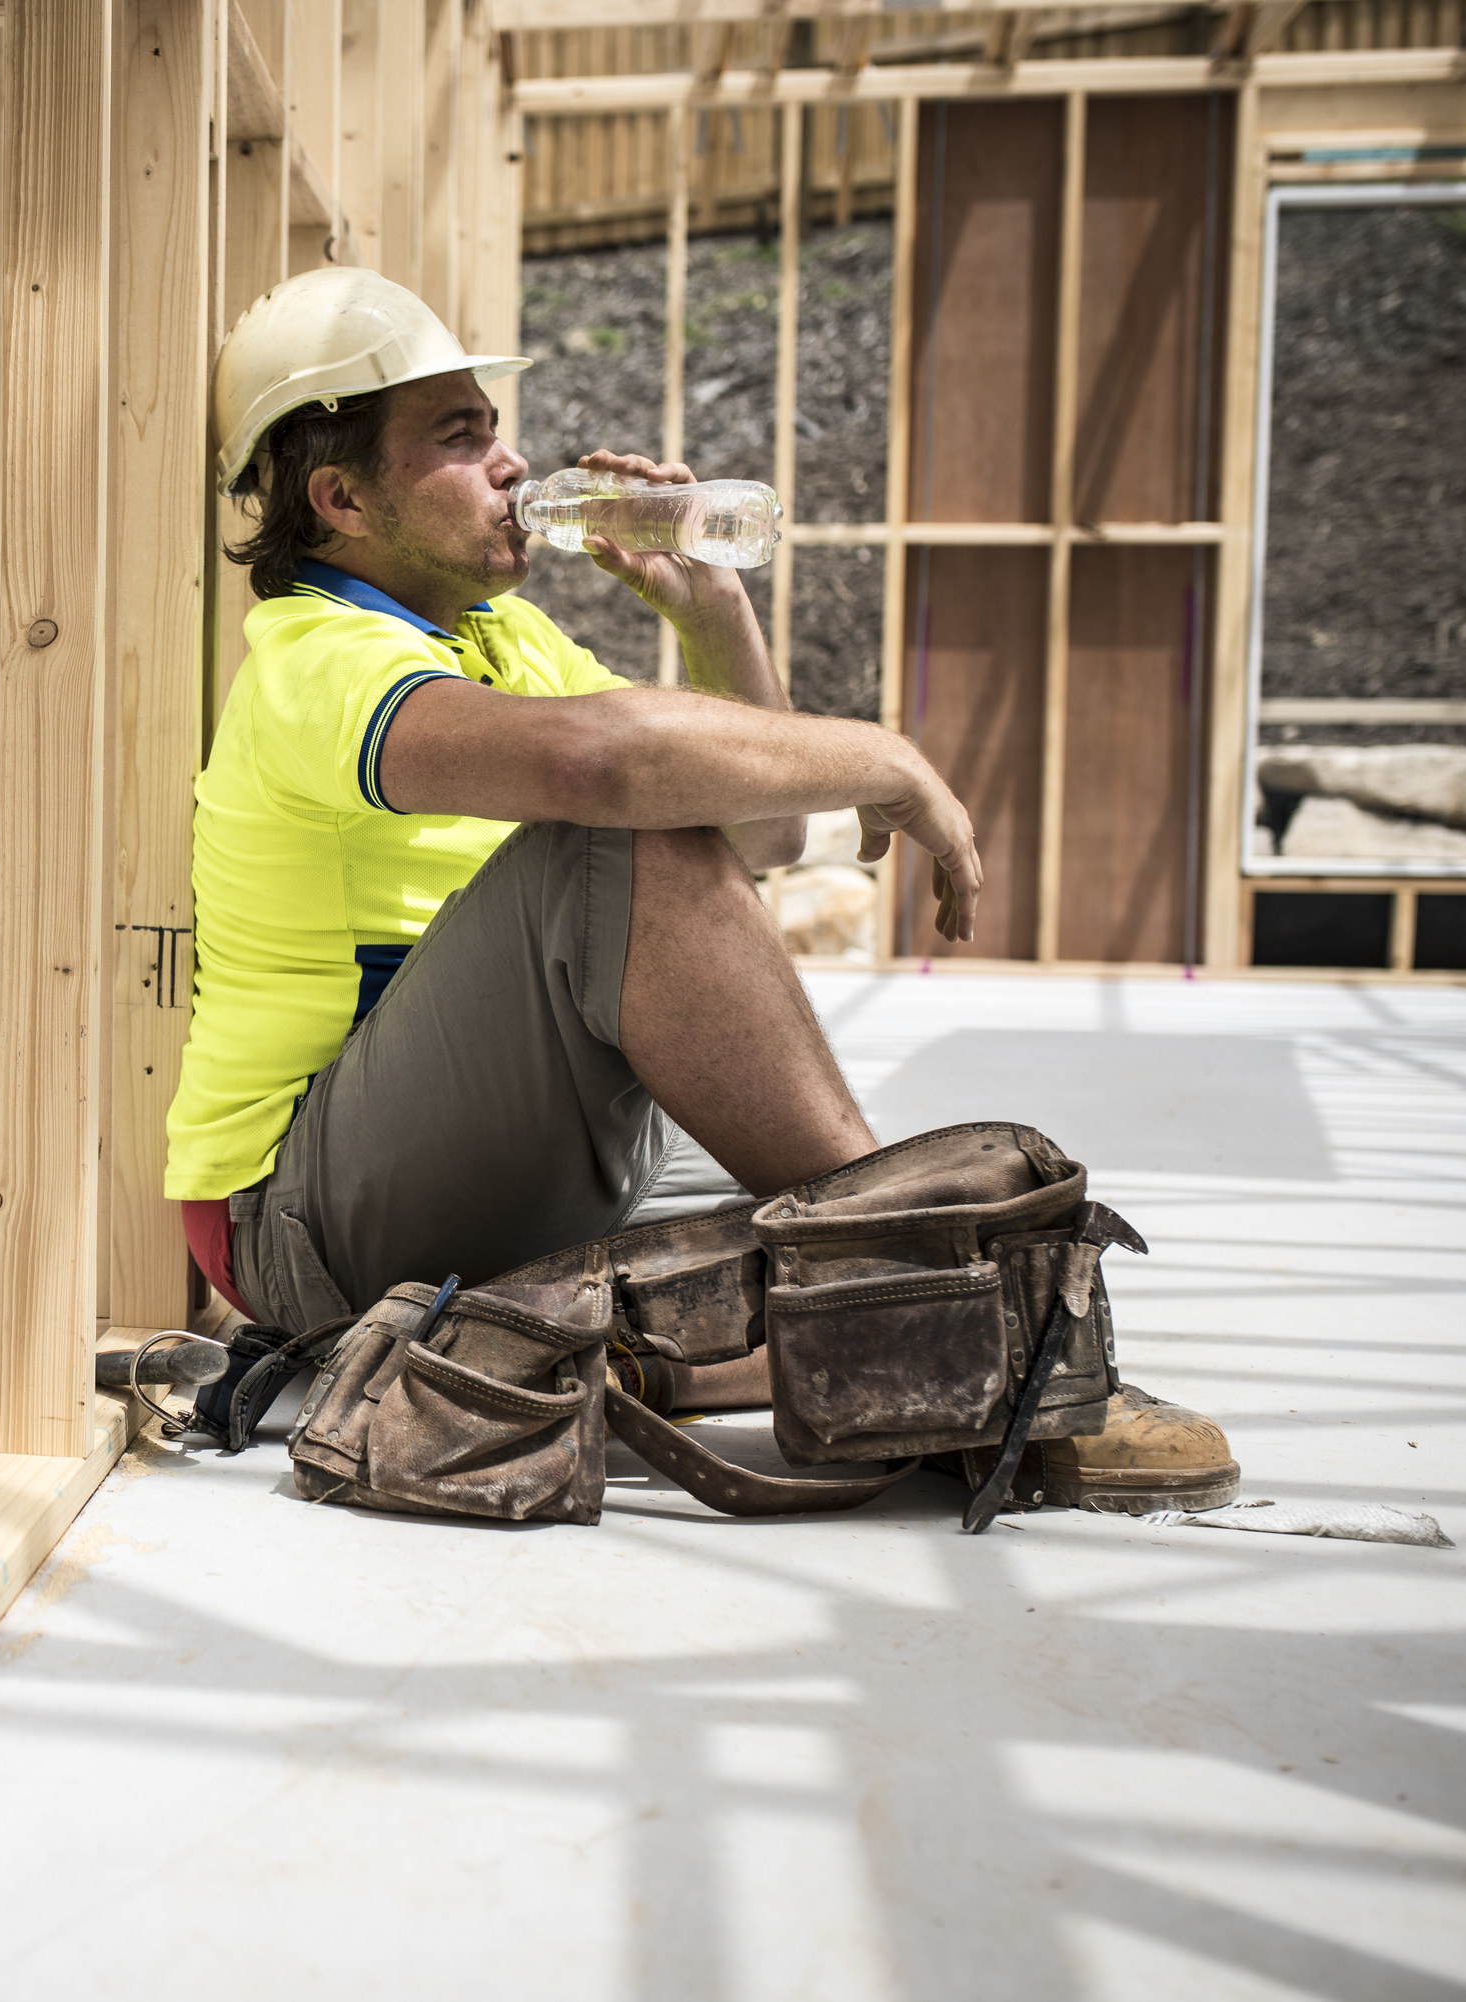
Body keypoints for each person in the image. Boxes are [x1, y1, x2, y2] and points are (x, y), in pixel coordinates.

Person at [169, 267, 1235, 1511]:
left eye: (495, 427)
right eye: (460, 439)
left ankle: (658, 1342)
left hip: (462, 1167)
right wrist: (886, 755)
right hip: (299, 1220)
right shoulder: (317, 659)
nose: (512, 463)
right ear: (341, 497)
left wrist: (712, 610)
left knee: (789, 1216)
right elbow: (608, 771)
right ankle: (970, 1340)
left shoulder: (494, 638)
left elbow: (765, 831)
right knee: (610, 836)